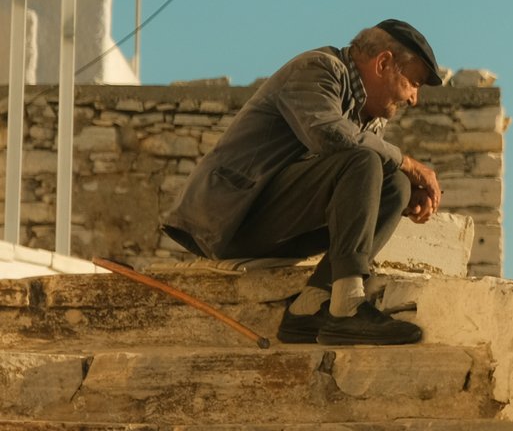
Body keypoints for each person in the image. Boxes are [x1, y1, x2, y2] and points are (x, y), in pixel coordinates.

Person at [164, 20, 446, 346]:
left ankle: (309, 307)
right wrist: (407, 162)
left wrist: (403, 193)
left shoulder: (369, 115)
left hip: (276, 228)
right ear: (383, 63)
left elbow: (356, 172)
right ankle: (347, 306)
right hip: (228, 219)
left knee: (395, 184)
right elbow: (329, 134)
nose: (413, 99)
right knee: (366, 160)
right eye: (413, 83)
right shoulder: (318, 69)